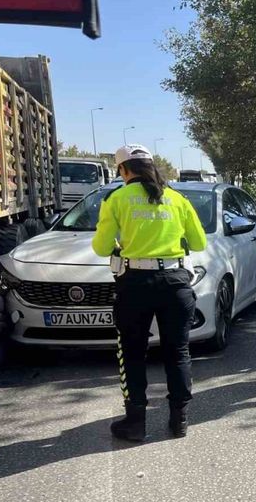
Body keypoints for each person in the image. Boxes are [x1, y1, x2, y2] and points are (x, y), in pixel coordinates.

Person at [92, 144, 207, 441]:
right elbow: (199, 243)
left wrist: (122, 246)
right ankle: (179, 421)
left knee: (131, 352)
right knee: (177, 351)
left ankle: (135, 422)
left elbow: (101, 248)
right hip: (175, 282)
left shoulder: (116, 198)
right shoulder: (177, 199)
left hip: (136, 284)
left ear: (123, 170)